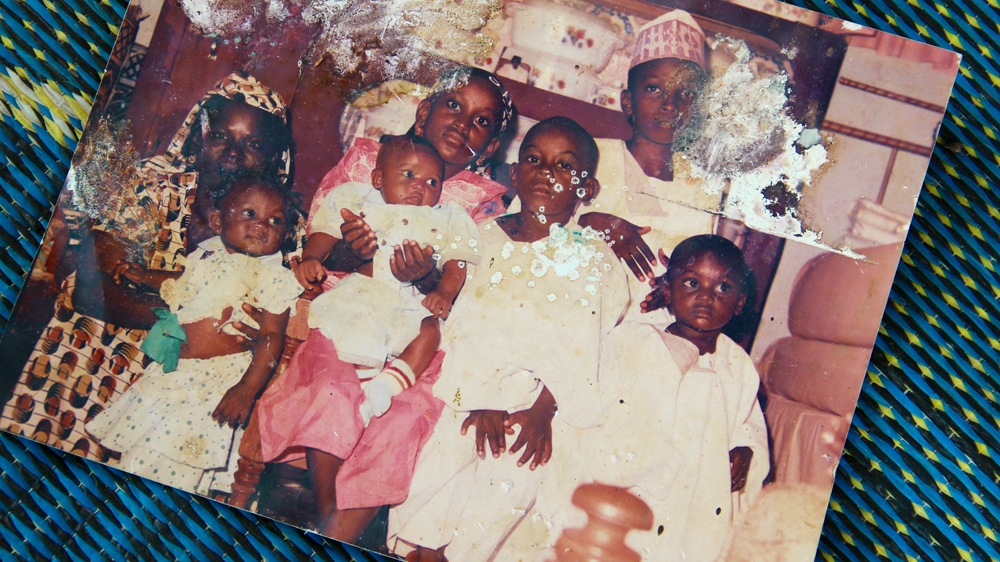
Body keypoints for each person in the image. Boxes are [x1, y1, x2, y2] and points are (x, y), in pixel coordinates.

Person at [0, 74, 294, 463]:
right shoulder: (153, 186)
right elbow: (90, 289)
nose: (233, 154)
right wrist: (186, 322)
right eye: (221, 136)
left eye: (253, 144)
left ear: (274, 157)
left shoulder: (283, 224)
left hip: (203, 382)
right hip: (107, 352)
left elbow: (278, 317)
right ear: (198, 137)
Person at [386, 117, 631, 561]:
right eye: (534, 160)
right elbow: (462, 326)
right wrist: (481, 396)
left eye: (564, 166)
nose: (546, 171)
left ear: (586, 189)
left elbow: (586, 347)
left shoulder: (594, 259)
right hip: (469, 391)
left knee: (506, 487)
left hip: (539, 407)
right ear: (515, 174)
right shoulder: (481, 240)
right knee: (434, 487)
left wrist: (540, 411)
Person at [256, 135, 481, 538]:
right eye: (408, 175)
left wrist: (443, 291)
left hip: (412, 304)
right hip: (366, 297)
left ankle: (385, 387)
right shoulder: (359, 198)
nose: (420, 187)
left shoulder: (449, 216)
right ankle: (331, 513)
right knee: (351, 343)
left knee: (431, 333)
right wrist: (313, 257)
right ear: (378, 177)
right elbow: (324, 231)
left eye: (432, 182)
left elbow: (458, 260)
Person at [84, 173, 302, 494]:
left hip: (214, 385)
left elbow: (271, 337)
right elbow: (181, 281)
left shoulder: (272, 277)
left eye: (275, 220)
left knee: (177, 464)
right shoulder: (206, 255)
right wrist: (146, 276)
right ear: (216, 220)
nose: (261, 225)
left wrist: (246, 388)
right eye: (249, 214)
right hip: (174, 374)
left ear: (284, 234)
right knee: (143, 454)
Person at [572, 234, 769, 561]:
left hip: (701, 489)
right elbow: (593, 405)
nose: (706, 297)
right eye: (692, 283)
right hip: (636, 484)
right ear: (667, 290)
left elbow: (748, 421)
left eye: (722, 288)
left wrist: (747, 449)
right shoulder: (634, 341)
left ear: (740, 304)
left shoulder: (738, 365)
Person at [590, 10, 724, 321]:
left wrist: (680, 289)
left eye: (686, 93)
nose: (670, 104)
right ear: (628, 103)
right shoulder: (589, 155)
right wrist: (589, 224)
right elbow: (530, 227)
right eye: (654, 88)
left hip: (650, 329)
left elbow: (705, 274)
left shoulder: (702, 188)